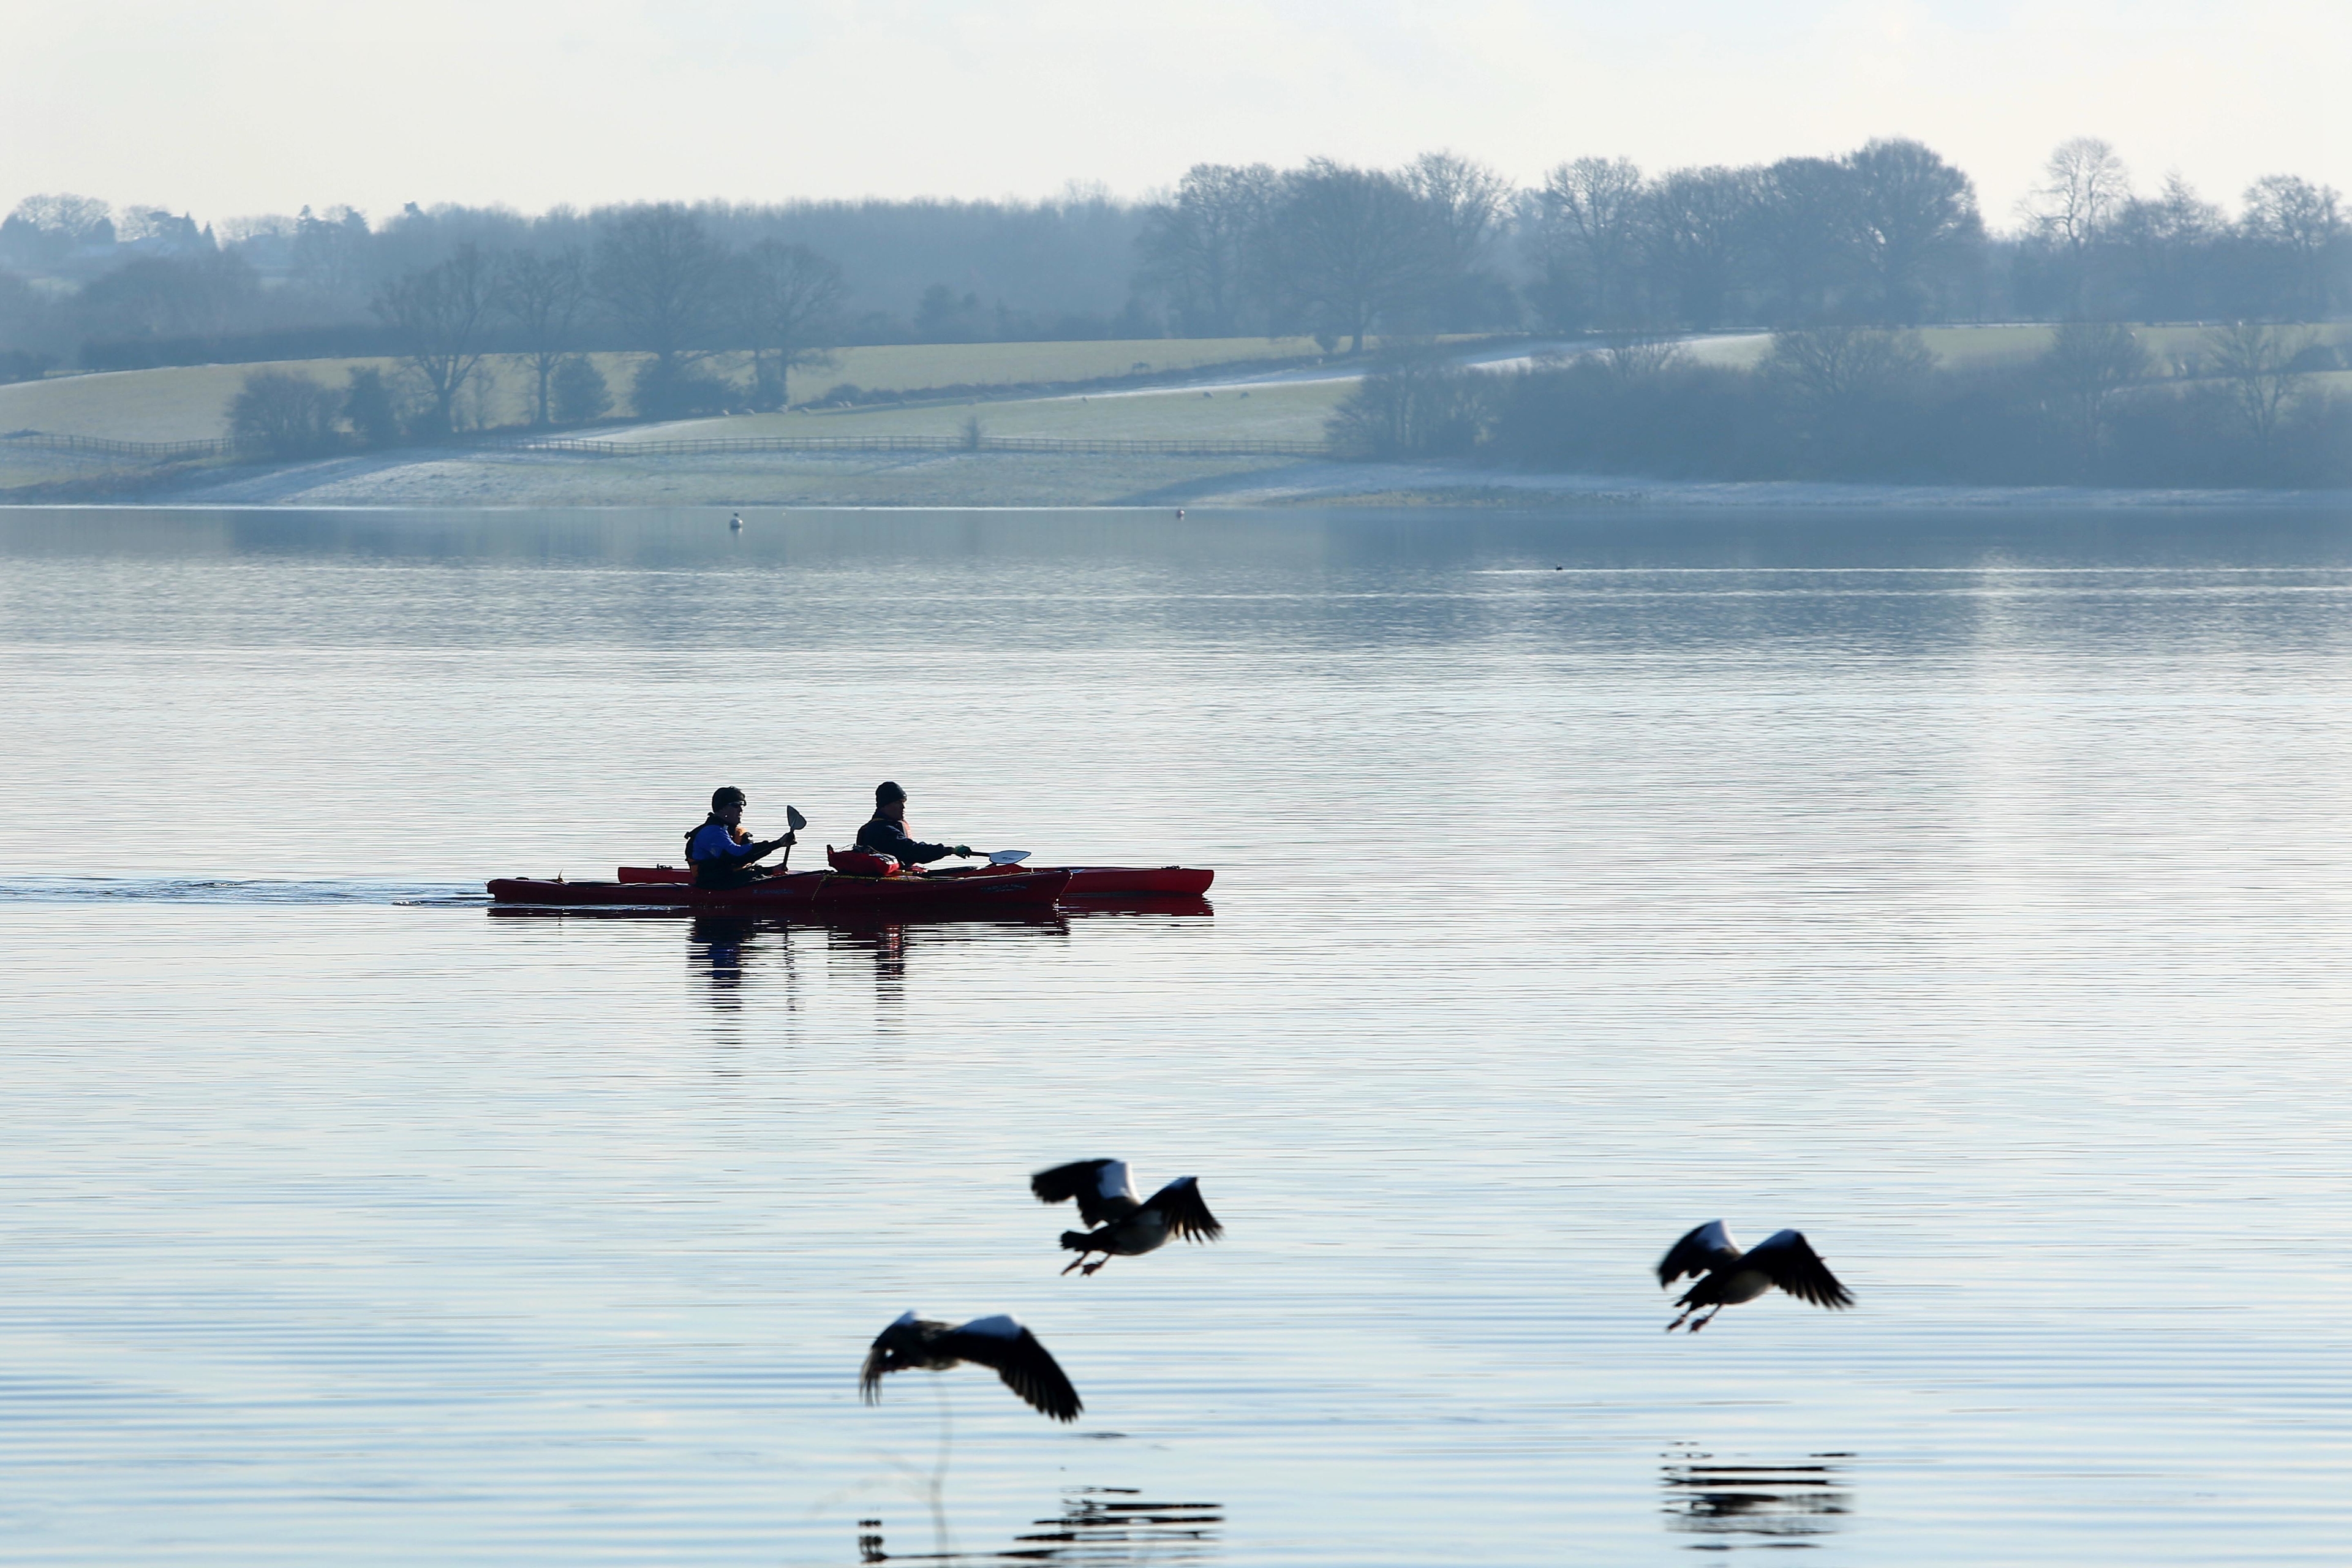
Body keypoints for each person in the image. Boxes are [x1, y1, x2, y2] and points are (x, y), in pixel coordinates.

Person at [685, 786, 796, 889]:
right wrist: (778, 844)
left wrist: (771, 870)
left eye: (742, 805)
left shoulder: (730, 831)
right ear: (722, 808)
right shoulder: (711, 832)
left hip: (730, 881)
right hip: (714, 886)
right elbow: (736, 856)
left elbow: (737, 867)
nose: (740, 810)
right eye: (735, 805)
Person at [854, 780, 971, 870]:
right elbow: (912, 851)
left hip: (901, 874)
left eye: (903, 803)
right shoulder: (881, 830)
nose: (903, 807)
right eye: (897, 803)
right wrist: (950, 850)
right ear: (884, 806)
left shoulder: (884, 826)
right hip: (892, 881)